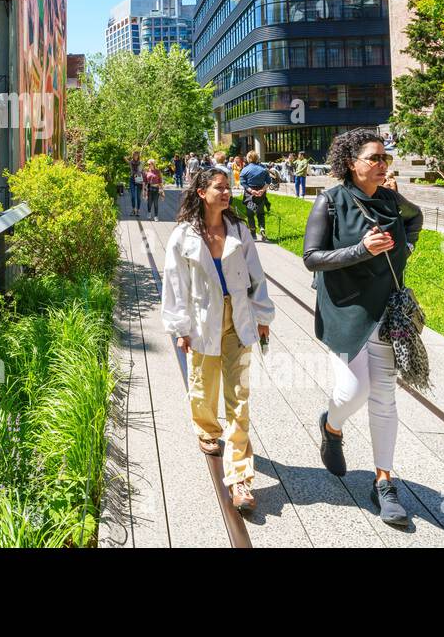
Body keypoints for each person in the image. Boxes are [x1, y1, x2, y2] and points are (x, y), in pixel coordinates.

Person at [303, 130, 424, 527]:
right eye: (374, 158)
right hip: (345, 309)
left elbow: (416, 218)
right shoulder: (330, 201)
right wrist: (361, 250)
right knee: (355, 390)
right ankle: (331, 426)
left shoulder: (391, 200)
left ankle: (384, 482)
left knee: (384, 395)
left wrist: (406, 248)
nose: (382, 164)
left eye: (384, 158)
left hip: (386, 308)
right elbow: (312, 257)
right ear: (350, 163)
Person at [161, 166, 275, 513]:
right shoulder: (183, 236)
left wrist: (262, 317)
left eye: (228, 188)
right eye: (219, 188)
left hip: (238, 318)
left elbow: (256, 276)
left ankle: (240, 477)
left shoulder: (239, 230)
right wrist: (180, 328)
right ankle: (207, 428)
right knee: (203, 384)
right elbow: (175, 285)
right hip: (202, 321)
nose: (226, 193)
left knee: (239, 396)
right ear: (201, 193)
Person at [240, 150, 272, 241]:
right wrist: (262, 190)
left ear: (248, 158)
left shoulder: (245, 169)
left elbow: (243, 182)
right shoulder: (263, 169)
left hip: (250, 195)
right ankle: (262, 228)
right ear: (257, 158)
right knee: (260, 213)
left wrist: (251, 190)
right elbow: (268, 181)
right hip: (261, 195)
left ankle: (253, 233)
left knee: (250, 214)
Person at [127, 149, 143, 216]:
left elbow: (141, 171)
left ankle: (138, 210)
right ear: (133, 156)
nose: (135, 156)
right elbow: (127, 160)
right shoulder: (131, 162)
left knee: (138, 197)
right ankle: (133, 210)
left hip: (138, 179)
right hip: (132, 179)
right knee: (133, 196)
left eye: (137, 155)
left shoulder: (141, 163)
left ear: (138, 156)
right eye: (134, 155)